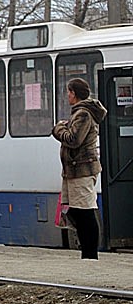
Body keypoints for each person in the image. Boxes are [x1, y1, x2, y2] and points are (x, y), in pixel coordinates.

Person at [51, 77, 107, 259]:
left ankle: (90, 254)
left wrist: (58, 129)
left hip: (81, 170)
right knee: (74, 210)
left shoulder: (83, 114)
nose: (67, 96)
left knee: (85, 212)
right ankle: (87, 250)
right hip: (74, 172)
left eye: (68, 92)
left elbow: (74, 140)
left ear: (74, 93)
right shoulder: (80, 113)